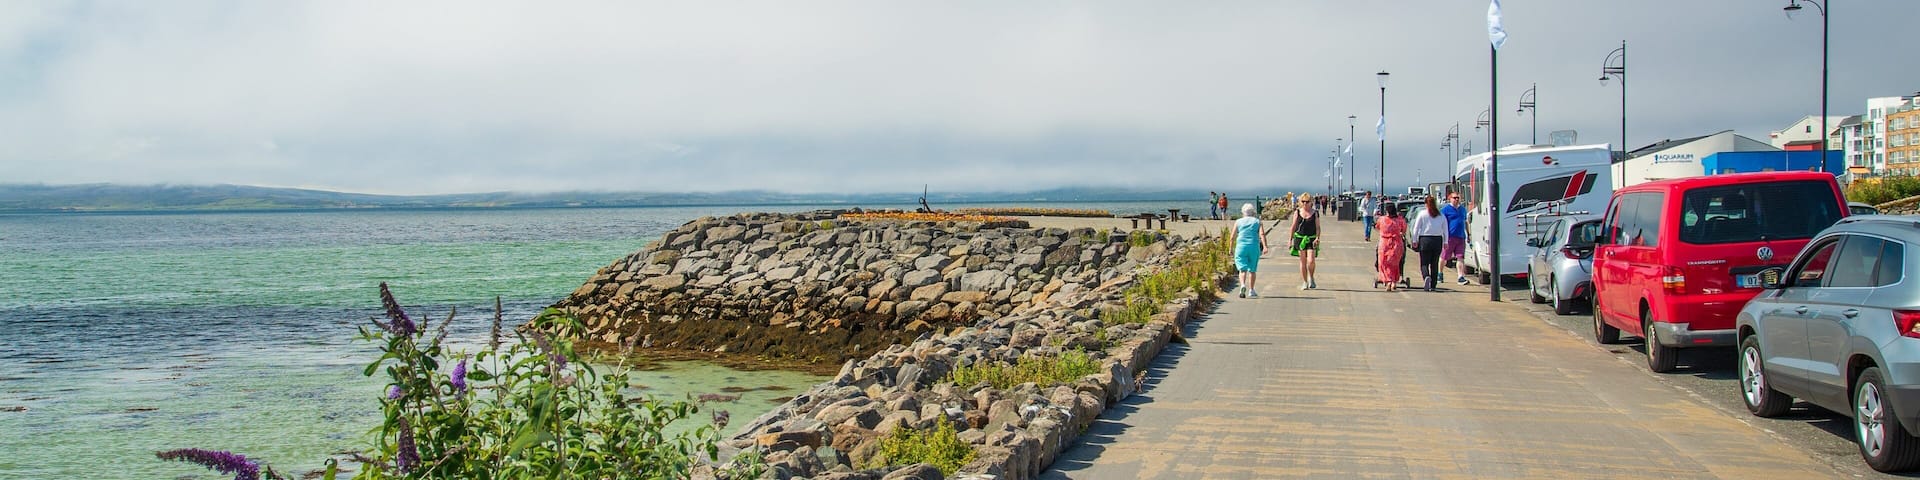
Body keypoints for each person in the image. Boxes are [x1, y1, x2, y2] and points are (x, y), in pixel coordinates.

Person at [1229, 203, 1267, 298]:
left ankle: (1242, 285)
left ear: (1243, 212)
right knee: (1252, 270)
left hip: (1241, 247)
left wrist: (1230, 248)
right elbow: (1262, 234)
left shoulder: (1238, 221)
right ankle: (1251, 290)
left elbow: (1232, 236)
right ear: (1253, 212)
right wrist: (1265, 246)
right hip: (1254, 246)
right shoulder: (1257, 221)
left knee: (1242, 269)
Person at [1410, 195, 1447, 291]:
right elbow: (1445, 229)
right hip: (1437, 240)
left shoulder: (1422, 214)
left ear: (1426, 204)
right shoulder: (1441, 215)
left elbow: (1416, 228)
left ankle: (1426, 276)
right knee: (1434, 263)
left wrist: (1414, 240)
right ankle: (1433, 285)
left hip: (1425, 239)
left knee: (1424, 262)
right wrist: (1446, 241)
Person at [1290, 194, 1321, 290]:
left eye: (1307, 202)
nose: (1305, 204)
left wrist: (1317, 237)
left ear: (1311, 202)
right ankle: (1304, 282)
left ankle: (1311, 277)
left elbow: (1318, 227)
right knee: (1302, 261)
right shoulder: (1297, 212)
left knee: (1311, 260)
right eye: (1303, 201)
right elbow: (1293, 226)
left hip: (1311, 238)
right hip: (1300, 238)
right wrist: (1290, 240)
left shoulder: (1315, 213)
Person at [1375, 202, 1407, 292]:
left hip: (1384, 243)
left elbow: (1377, 227)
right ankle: (1393, 282)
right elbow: (1404, 230)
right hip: (1397, 243)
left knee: (1383, 263)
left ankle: (1388, 281)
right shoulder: (1400, 220)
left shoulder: (1382, 219)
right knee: (1395, 263)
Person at [1441, 191, 1470, 285]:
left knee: (1460, 257)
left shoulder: (1463, 209)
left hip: (1461, 237)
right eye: (1454, 198)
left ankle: (1460, 277)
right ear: (1450, 199)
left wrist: (1468, 234)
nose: (1457, 199)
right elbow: (1442, 223)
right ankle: (1440, 273)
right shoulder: (1445, 210)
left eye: (1458, 198)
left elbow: (1465, 222)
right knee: (1444, 257)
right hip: (1449, 237)